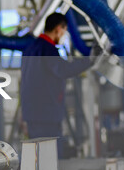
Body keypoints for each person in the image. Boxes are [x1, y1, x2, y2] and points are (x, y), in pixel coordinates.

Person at [20, 12, 97, 156]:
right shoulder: (48, 50)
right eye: (64, 31)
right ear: (58, 29)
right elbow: (63, 69)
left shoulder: (30, 48)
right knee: (51, 159)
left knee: (37, 158)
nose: (63, 36)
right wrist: (90, 60)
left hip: (32, 114)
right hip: (46, 115)